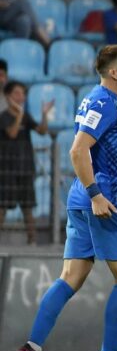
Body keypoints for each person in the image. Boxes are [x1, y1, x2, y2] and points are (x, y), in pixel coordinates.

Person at [15, 45, 117, 351]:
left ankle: (32, 348)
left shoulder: (99, 100)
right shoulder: (105, 102)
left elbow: (96, 154)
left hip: (84, 198)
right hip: (104, 203)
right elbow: (78, 151)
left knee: (70, 277)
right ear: (113, 72)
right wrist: (97, 194)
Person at [0, 81, 52, 244]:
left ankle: (32, 241)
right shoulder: (4, 116)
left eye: (23, 93)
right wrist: (19, 115)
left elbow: (42, 131)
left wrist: (44, 114)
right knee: (2, 207)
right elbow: (12, 133)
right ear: (8, 96)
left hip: (25, 168)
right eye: (17, 93)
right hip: (7, 169)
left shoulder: (26, 116)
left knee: (28, 207)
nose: (21, 97)